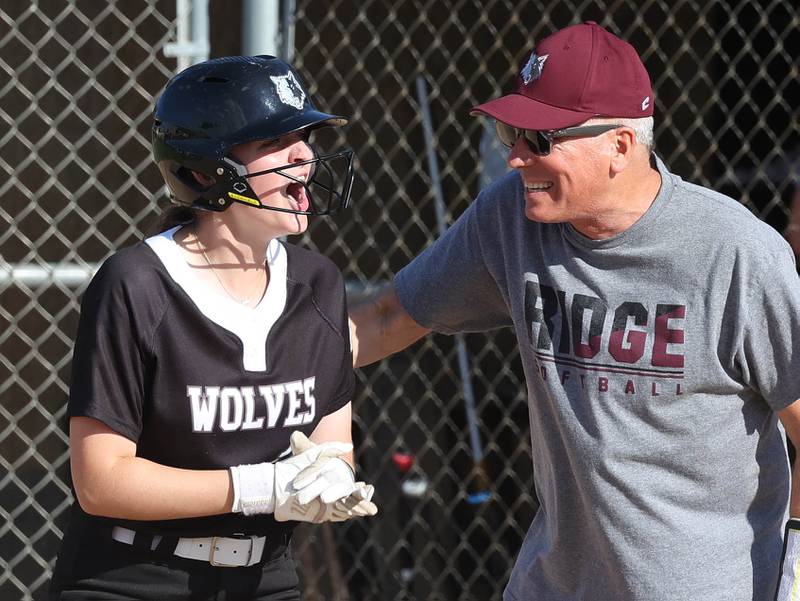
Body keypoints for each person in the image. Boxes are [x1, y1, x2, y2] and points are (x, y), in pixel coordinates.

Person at [349, 21, 800, 600]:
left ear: (619, 146)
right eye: (509, 130)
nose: (513, 158)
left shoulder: (734, 254)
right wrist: (257, 363)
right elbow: (389, 316)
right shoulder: (509, 218)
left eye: (540, 139)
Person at [50, 56, 377, 601]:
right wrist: (259, 488)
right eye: (277, 142)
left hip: (265, 579)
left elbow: (331, 443)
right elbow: (101, 482)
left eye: (305, 136)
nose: (306, 155)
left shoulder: (319, 284)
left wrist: (332, 477)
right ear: (207, 171)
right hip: (131, 579)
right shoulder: (137, 284)